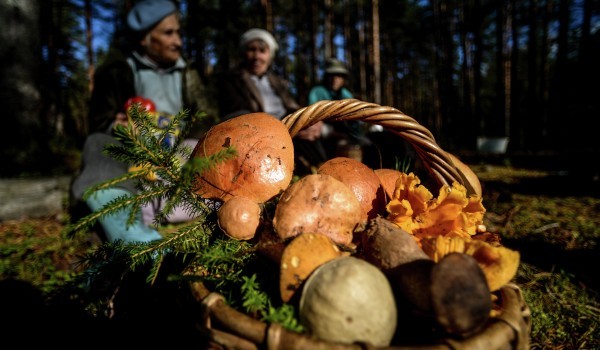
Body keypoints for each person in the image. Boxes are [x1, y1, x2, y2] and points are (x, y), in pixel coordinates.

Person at [70, 0, 215, 244]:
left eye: (178, 33)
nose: (177, 41)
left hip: (179, 154)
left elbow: (207, 119)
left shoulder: (188, 73)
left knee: (204, 146)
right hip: (133, 157)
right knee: (98, 144)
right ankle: (129, 231)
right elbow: (99, 123)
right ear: (144, 38)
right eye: (168, 33)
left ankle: (206, 203)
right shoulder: (118, 72)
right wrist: (120, 127)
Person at [217, 28, 326, 174]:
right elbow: (238, 114)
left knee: (312, 130)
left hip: (291, 129)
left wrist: (309, 119)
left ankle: (321, 171)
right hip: (259, 135)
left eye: (262, 51)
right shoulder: (232, 80)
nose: (257, 56)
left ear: (269, 55)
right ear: (244, 53)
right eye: (251, 50)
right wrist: (283, 127)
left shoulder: (278, 82)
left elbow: (291, 106)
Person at [308, 58, 369, 162]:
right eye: (332, 75)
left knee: (367, 144)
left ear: (343, 79)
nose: (335, 79)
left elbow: (354, 122)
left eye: (339, 76)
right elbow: (311, 117)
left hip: (346, 133)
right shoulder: (317, 92)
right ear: (327, 76)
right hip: (324, 132)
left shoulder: (346, 94)